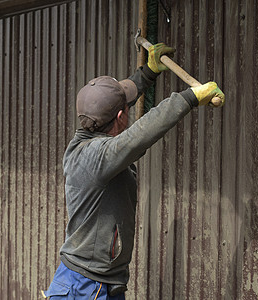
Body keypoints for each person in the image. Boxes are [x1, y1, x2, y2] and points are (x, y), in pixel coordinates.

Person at [42, 43, 225, 299]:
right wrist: (189, 98)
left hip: (99, 282)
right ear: (120, 117)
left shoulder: (86, 139)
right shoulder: (98, 156)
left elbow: (123, 98)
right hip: (85, 287)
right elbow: (139, 136)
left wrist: (148, 73)